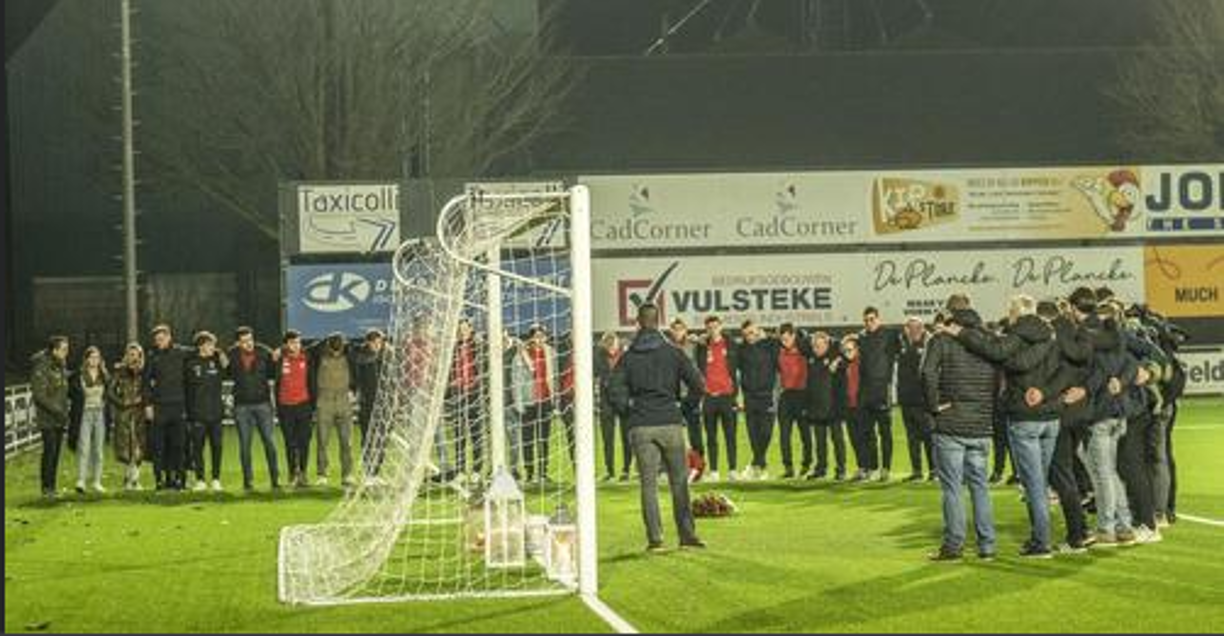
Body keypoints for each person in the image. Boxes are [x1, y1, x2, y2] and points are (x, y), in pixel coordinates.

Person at [952, 295, 1072, 558]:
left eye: (1010, 310)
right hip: (1051, 417)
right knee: (1040, 482)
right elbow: (1065, 372)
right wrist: (1046, 392)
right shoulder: (1052, 335)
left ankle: (1041, 542)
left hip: (1025, 417)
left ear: (1017, 312)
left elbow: (997, 352)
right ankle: (1042, 537)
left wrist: (962, 334)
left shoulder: (1018, 335)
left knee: (1034, 484)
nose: (1009, 315)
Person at [608, 302, 706, 552]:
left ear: (638, 323)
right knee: (679, 482)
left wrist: (628, 412)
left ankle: (655, 540)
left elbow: (613, 389)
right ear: (659, 321)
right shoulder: (673, 352)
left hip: (641, 424)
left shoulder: (628, 356)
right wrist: (684, 408)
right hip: (670, 422)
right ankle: (687, 536)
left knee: (648, 485)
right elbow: (698, 384)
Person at [923, 295, 998, 561]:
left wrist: (934, 405)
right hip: (981, 422)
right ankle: (987, 545)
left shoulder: (941, 339)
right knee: (980, 486)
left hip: (951, 423)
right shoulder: (988, 339)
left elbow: (927, 372)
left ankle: (954, 545)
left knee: (952, 488)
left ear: (949, 312)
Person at [1082, 302, 1140, 547]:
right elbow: (1133, 366)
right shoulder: (1122, 347)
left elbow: (1096, 378)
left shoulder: (1098, 350)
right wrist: (1122, 381)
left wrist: (1082, 390)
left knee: (1103, 472)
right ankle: (1124, 525)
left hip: (1102, 416)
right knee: (1110, 471)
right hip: (1118, 415)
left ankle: (1107, 527)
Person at [226, 326, 281, 491]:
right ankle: (248, 481)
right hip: (241, 406)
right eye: (244, 341)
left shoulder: (264, 351)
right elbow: (224, 371)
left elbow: (275, 370)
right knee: (245, 445)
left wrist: (275, 359)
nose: (248, 343)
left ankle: (275, 480)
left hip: (263, 404)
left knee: (269, 442)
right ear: (238, 343)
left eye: (250, 339)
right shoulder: (231, 354)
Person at [144, 324, 193, 491]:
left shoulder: (181, 352)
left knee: (179, 446)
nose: (160, 341)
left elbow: (200, 351)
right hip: (159, 408)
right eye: (157, 339)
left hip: (178, 406)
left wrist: (218, 352)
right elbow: (146, 383)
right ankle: (160, 480)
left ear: (169, 337)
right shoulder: (152, 357)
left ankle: (180, 479)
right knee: (159, 447)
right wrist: (148, 405)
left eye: (162, 338)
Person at [857, 307, 901, 482]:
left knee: (885, 433)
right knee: (867, 433)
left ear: (878, 319)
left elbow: (903, 347)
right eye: (866, 320)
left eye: (872, 319)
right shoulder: (862, 337)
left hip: (883, 390)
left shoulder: (890, 335)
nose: (869, 323)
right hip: (865, 392)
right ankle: (871, 467)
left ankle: (886, 468)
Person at [695, 315, 739, 481]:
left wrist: (736, 394)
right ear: (706, 329)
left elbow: (736, 368)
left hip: (727, 397)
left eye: (715, 326)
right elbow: (698, 369)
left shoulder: (731, 344)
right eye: (709, 327)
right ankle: (714, 471)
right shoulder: (702, 347)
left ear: (721, 327)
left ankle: (732, 470)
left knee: (730, 436)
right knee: (711, 437)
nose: (713, 330)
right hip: (709, 397)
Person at [513, 324, 557, 485]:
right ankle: (530, 473)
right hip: (528, 402)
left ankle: (543, 473)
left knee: (543, 439)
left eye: (542, 336)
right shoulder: (521, 355)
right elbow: (516, 380)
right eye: (536, 336)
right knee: (528, 440)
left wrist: (554, 400)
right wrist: (519, 403)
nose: (539, 339)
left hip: (545, 400)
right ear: (531, 337)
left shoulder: (551, 353)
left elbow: (555, 377)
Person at [737, 320, 779, 480]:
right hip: (749, 397)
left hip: (767, 396)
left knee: (766, 432)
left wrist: (767, 336)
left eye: (753, 332)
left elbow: (793, 338)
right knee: (753, 434)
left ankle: (756, 463)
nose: (750, 336)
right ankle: (761, 466)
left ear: (759, 331)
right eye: (746, 334)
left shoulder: (770, 345)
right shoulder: (741, 349)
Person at [185, 331, 226, 491]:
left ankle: (216, 479)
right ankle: (200, 479)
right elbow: (186, 389)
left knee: (217, 447)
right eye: (210, 344)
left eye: (213, 345)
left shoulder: (217, 362)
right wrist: (189, 412)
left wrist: (222, 357)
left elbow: (228, 370)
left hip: (216, 414)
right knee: (198, 449)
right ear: (201, 346)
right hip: (197, 414)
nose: (213, 348)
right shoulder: (190, 364)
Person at [313, 332, 355, 487]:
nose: (336, 352)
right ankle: (322, 474)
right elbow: (308, 348)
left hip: (344, 400)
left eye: (340, 348)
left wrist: (353, 390)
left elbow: (363, 351)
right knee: (322, 441)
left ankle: (347, 475)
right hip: (325, 401)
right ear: (328, 346)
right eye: (333, 348)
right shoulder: (318, 356)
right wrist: (326, 339)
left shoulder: (349, 355)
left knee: (346, 442)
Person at [32, 335, 71, 498]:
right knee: (49, 452)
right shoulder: (42, 366)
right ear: (54, 350)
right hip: (47, 418)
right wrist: (57, 410)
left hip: (59, 417)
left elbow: (62, 390)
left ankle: (52, 487)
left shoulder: (60, 365)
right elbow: (39, 395)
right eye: (63, 349)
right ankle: (46, 487)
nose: (66, 352)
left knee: (55, 454)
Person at [896, 317, 934, 482]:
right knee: (912, 438)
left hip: (922, 400)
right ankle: (916, 471)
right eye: (909, 328)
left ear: (921, 328)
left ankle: (934, 470)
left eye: (915, 328)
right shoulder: (902, 343)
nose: (912, 331)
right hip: (906, 399)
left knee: (928, 437)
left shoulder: (929, 343)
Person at [277, 330, 315, 488]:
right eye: (292, 342)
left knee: (304, 442)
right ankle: (292, 473)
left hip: (304, 406)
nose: (296, 345)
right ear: (286, 344)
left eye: (298, 342)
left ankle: (303, 473)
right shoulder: (280, 359)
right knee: (290, 443)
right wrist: (279, 351)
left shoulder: (307, 357)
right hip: (285, 407)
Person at [806, 331, 846, 480]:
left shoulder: (836, 358)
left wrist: (837, 359)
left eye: (820, 345)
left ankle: (841, 469)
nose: (816, 348)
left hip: (833, 407)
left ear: (827, 345)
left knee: (837, 440)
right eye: (815, 346)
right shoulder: (811, 359)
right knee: (820, 441)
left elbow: (845, 349)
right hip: (816, 406)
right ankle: (821, 469)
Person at [776, 323, 812, 479]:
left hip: (802, 395)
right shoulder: (778, 350)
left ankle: (806, 465)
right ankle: (788, 467)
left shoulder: (804, 348)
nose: (784, 342)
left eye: (787, 338)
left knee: (805, 433)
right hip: (786, 396)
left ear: (793, 336)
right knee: (784, 435)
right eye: (782, 339)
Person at [110, 343, 147, 490]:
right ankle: (127, 478)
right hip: (124, 414)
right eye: (131, 354)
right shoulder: (119, 372)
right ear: (126, 355)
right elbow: (110, 391)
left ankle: (135, 479)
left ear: (140, 356)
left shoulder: (145, 372)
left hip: (140, 413)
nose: (133, 357)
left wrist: (143, 400)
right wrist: (122, 402)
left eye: (136, 354)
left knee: (139, 446)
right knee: (126, 448)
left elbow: (149, 390)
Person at [73, 346, 110, 493]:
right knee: (84, 447)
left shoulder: (104, 375)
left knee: (98, 449)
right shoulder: (80, 375)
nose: (95, 360)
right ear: (87, 359)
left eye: (97, 357)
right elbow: (76, 394)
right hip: (85, 413)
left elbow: (109, 393)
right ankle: (81, 480)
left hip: (99, 414)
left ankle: (97, 481)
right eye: (92, 357)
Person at [668, 319, 703, 473]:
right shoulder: (667, 347)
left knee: (695, 432)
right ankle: (673, 467)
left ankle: (699, 467)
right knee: (672, 434)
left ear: (685, 330)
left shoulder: (693, 345)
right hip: (673, 397)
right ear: (671, 331)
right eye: (675, 329)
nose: (678, 332)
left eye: (680, 329)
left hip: (691, 395)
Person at [352, 328, 388, 476]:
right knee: (368, 438)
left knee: (382, 439)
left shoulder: (386, 358)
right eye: (375, 343)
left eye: (380, 342)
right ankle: (368, 471)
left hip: (384, 405)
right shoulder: (361, 357)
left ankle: (376, 471)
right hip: (367, 404)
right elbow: (356, 377)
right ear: (368, 343)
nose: (378, 345)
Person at [594, 331, 629, 482]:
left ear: (617, 343)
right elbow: (595, 375)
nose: (610, 348)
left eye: (612, 344)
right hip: (606, 401)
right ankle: (610, 471)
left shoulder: (627, 356)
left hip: (624, 400)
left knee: (626, 437)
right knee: (607, 438)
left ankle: (626, 470)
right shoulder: (598, 356)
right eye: (607, 345)